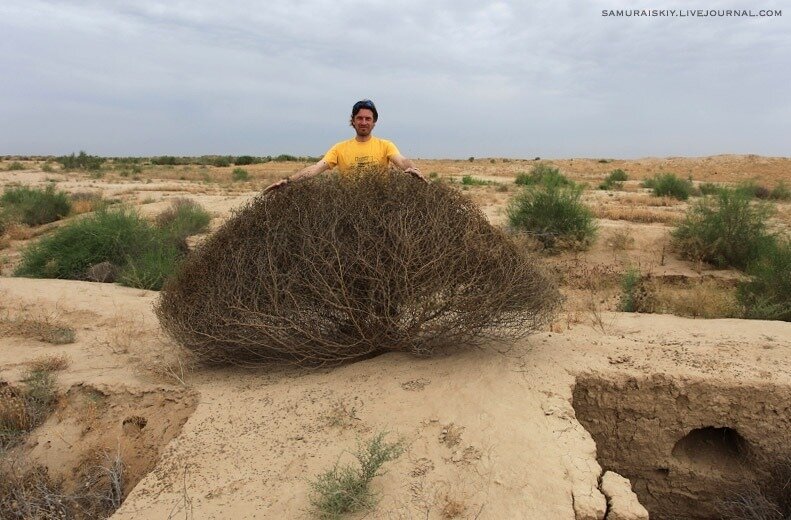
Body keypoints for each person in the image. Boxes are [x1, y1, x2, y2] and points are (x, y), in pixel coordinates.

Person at [264, 99, 424, 192]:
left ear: (374, 122)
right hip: (349, 207)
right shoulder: (339, 148)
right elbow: (315, 168)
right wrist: (288, 181)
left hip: (380, 206)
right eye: (359, 118)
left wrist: (412, 169)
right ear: (353, 121)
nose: (363, 122)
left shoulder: (385, 145)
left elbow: (401, 161)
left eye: (368, 119)